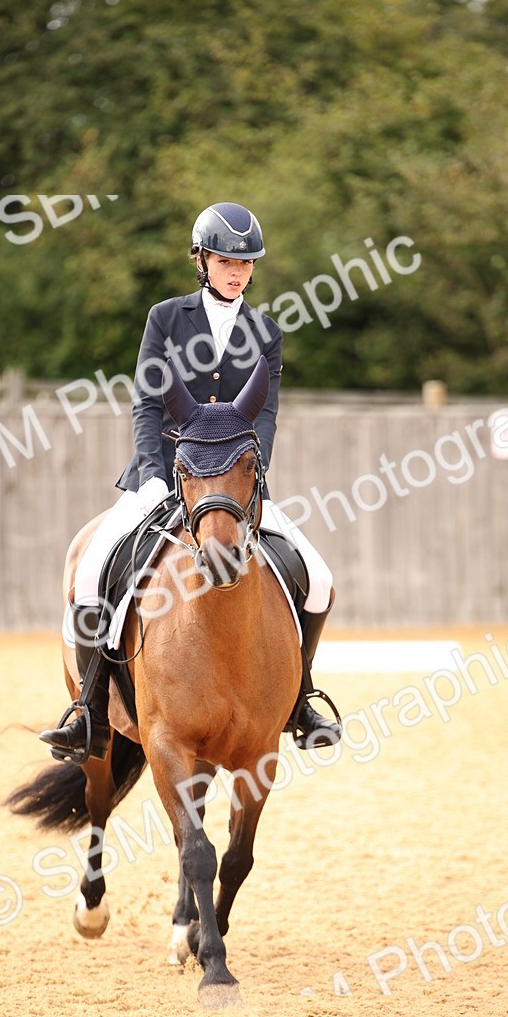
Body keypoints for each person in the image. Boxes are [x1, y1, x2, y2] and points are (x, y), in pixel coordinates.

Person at [41, 201, 341, 760]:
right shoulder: (166, 318)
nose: (237, 270)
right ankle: (88, 712)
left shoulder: (266, 332)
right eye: (227, 259)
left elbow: (266, 414)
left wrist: (254, 475)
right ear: (202, 261)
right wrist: (153, 473)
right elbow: (146, 403)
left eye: (247, 263)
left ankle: (300, 701)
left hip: (233, 485)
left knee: (319, 580)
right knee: (89, 580)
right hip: (165, 475)